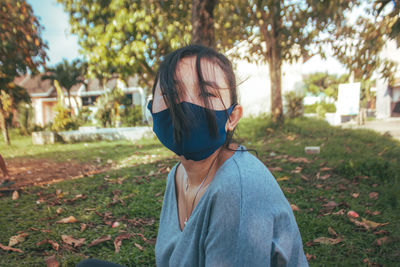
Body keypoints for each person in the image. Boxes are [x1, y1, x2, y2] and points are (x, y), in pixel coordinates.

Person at [148, 45, 309, 266]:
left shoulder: (239, 189)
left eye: (206, 93)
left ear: (232, 117)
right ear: (152, 108)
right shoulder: (176, 175)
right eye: (172, 93)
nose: (184, 105)